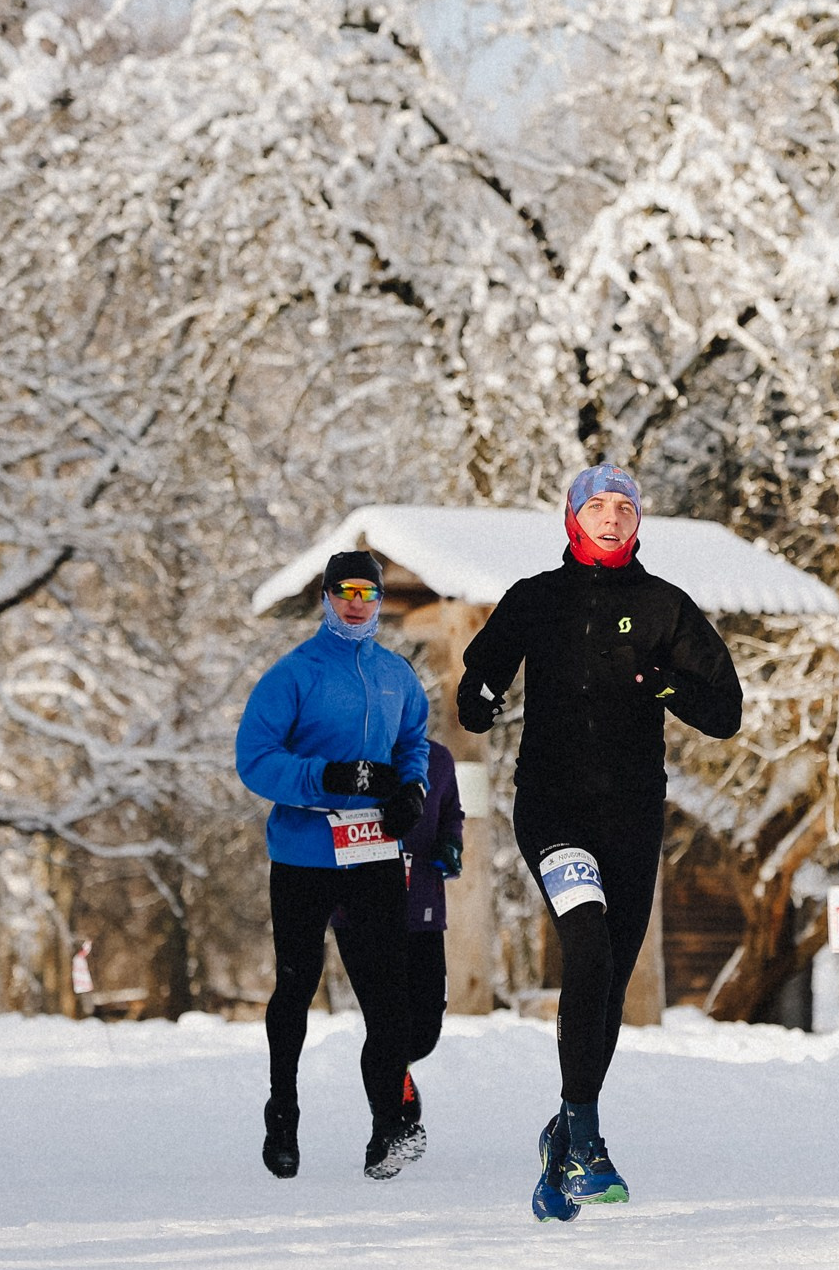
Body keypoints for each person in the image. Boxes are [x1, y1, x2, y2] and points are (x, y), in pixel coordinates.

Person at [458, 466, 741, 1220]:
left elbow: (725, 710)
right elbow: (478, 677)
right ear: (572, 518)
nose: (611, 518)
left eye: (624, 507)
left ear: (638, 520)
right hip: (552, 812)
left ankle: (562, 1132)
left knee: (607, 978)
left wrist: (665, 685)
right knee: (585, 944)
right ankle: (586, 1140)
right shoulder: (535, 600)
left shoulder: (663, 608)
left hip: (631, 817)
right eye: (598, 506)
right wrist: (480, 700)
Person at [235, 550, 432, 1181]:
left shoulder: (397, 676)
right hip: (304, 854)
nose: (356, 602)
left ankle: (386, 1130)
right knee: (298, 984)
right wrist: (325, 777)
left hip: (373, 851)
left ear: (378, 601)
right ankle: (283, 1112)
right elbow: (255, 759)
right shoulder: (294, 674)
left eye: (367, 594)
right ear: (325, 597)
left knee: (386, 996)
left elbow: (412, 746)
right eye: (343, 591)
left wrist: (412, 792)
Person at [331, 736, 465, 1131]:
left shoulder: (438, 759)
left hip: (421, 908)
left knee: (424, 1029)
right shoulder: (351, 756)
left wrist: (451, 844)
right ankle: (389, 1128)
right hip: (360, 912)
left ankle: (397, 1072)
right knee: (385, 1024)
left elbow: (452, 813)